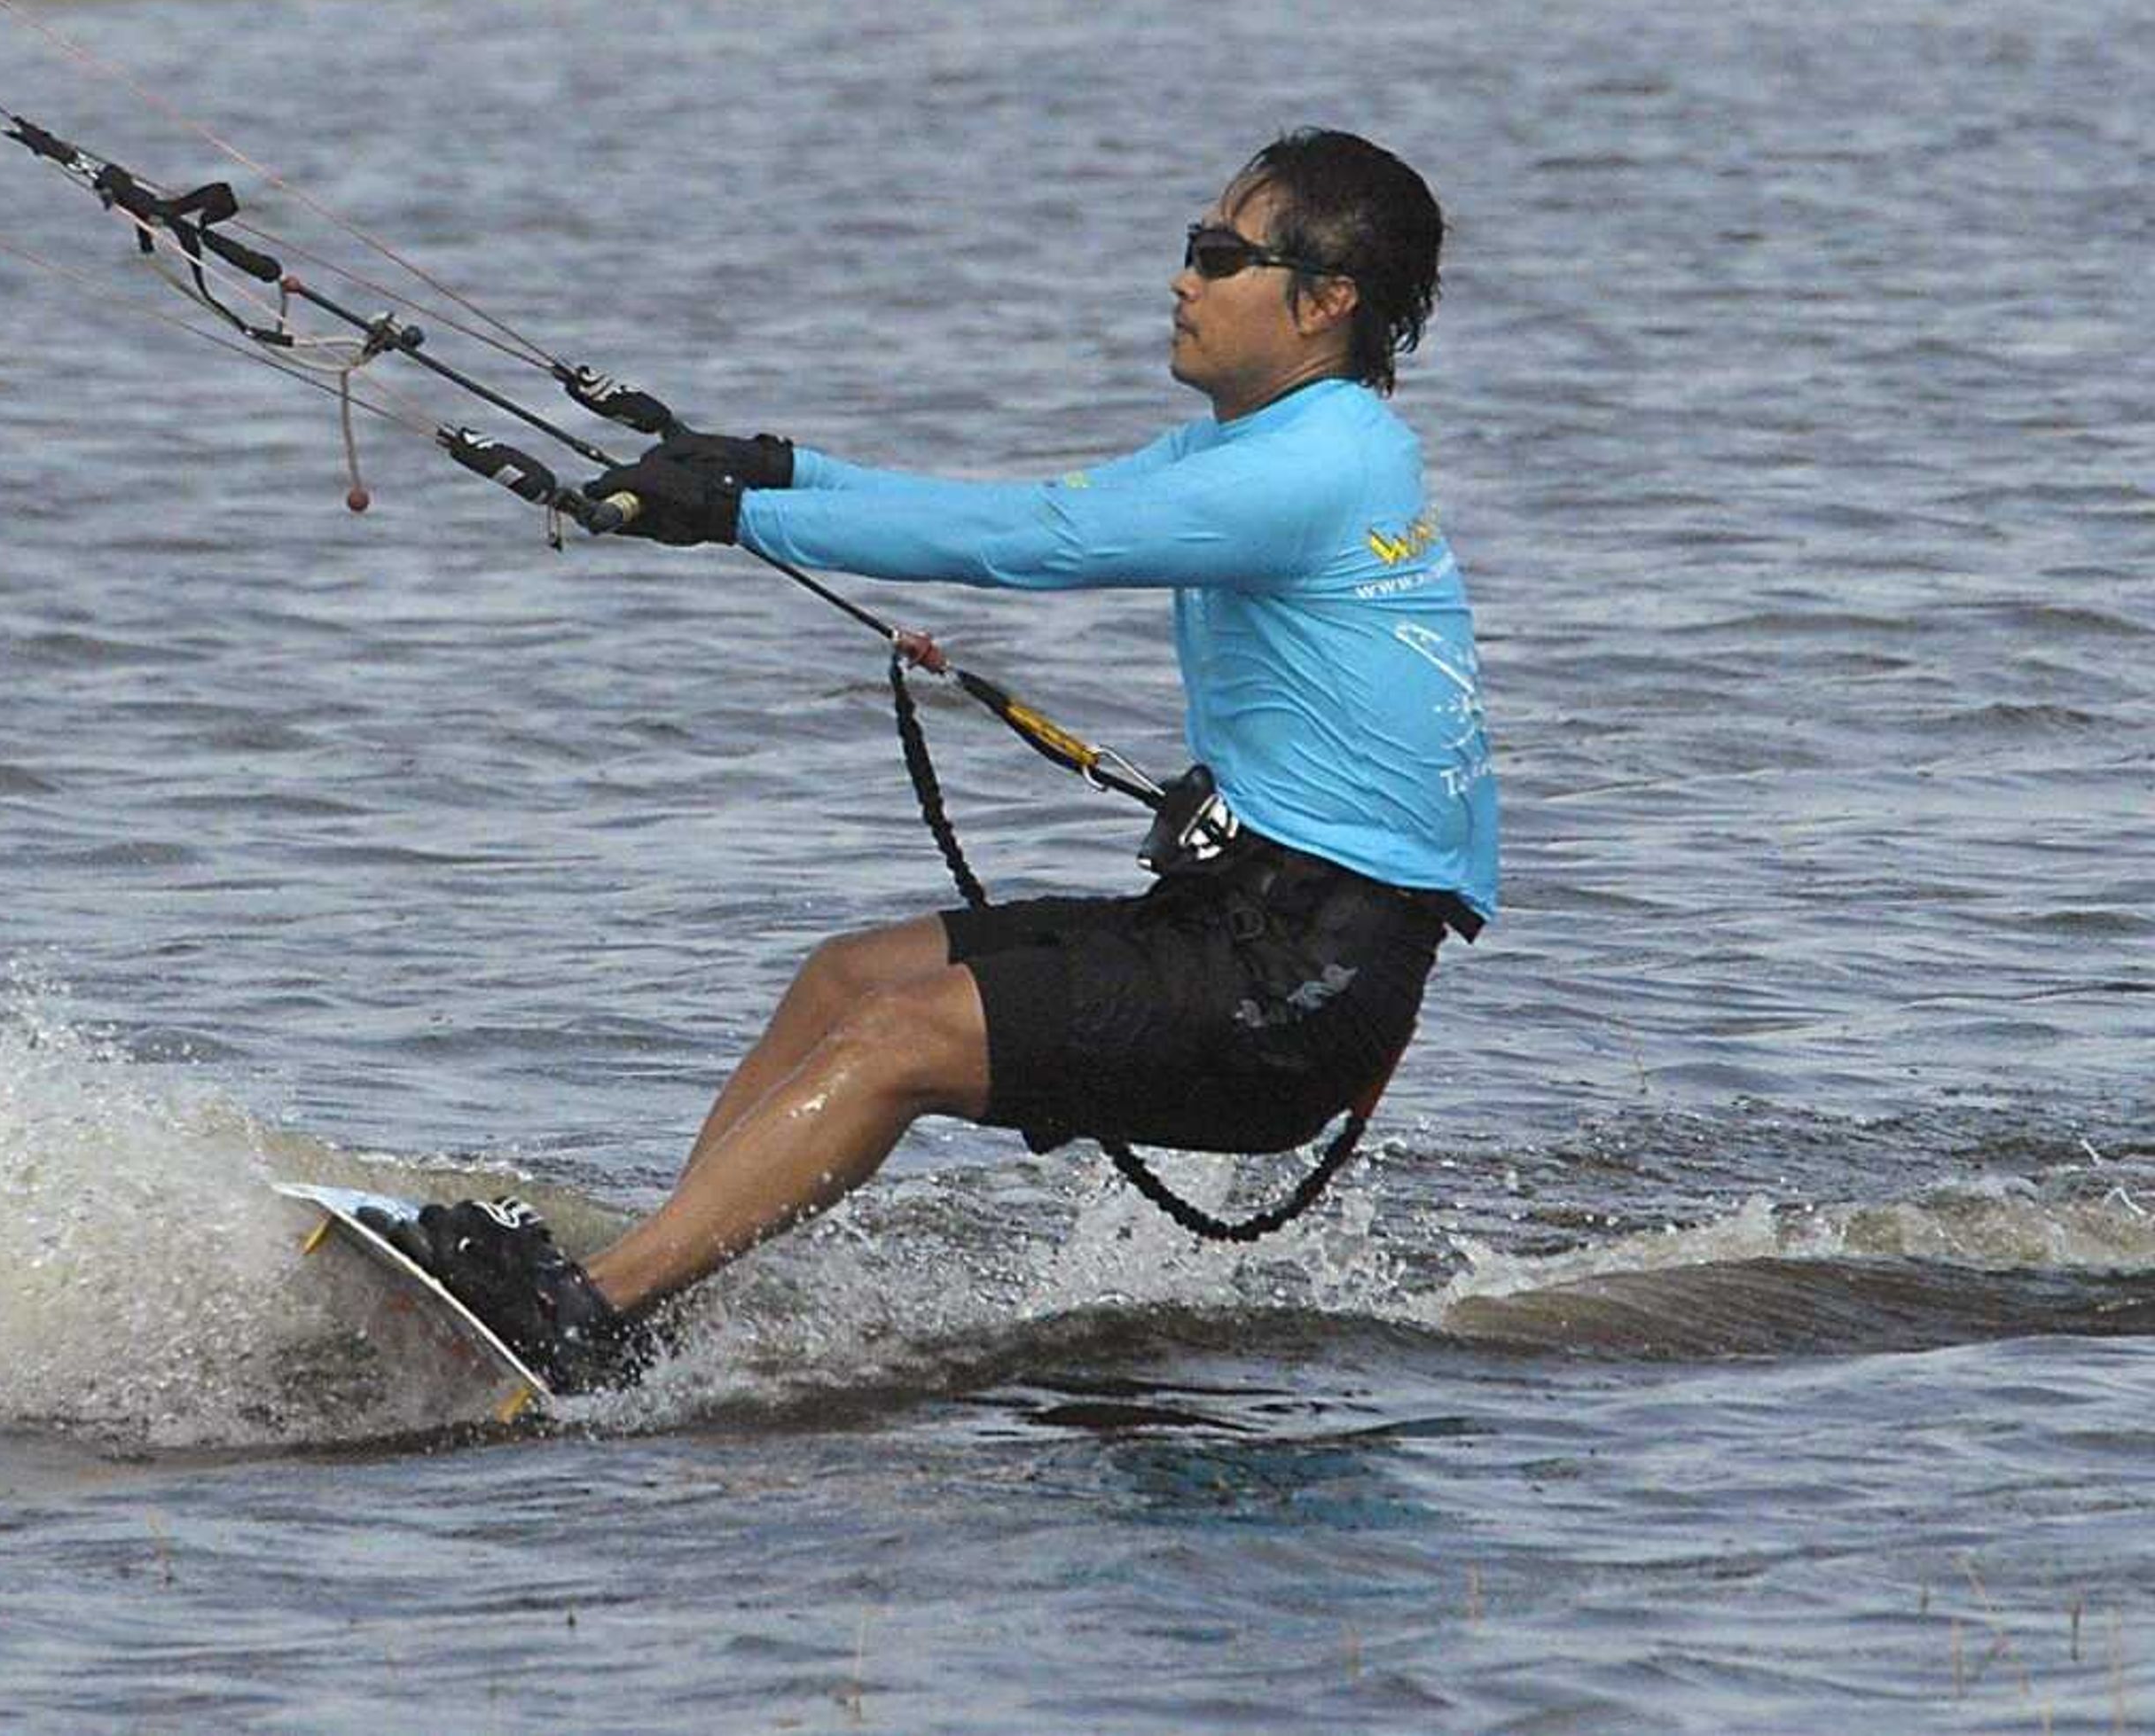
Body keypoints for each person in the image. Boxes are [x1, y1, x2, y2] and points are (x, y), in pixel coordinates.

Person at [383, 128, 1499, 1393]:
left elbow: (1042, 542)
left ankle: (581, 1315)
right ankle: (651, 1297)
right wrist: (781, 470)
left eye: (1217, 255)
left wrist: (743, 515)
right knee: (844, 981)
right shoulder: (1269, 443)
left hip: (1304, 985)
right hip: (1240, 922)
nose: (1180, 282)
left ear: (1327, 300)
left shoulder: (1317, 465)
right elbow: (1015, 500)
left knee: (898, 1039)